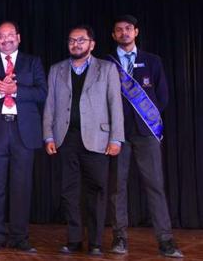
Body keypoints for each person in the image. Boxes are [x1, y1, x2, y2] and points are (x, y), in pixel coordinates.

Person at [42, 25, 124, 256]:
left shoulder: (106, 69)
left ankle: (96, 242)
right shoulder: (56, 70)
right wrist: (48, 134)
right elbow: (50, 105)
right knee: (69, 192)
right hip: (65, 139)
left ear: (92, 44)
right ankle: (74, 239)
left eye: (81, 40)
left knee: (96, 191)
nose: (75, 44)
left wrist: (116, 138)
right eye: (71, 40)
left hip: (98, 139)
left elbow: (115, 105)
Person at [107, 15, 183, 258]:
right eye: (119, 30)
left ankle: (166, 240)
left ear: (136, 32)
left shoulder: (153, 61)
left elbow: (162, 97)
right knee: (117, 188)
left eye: (128, 29)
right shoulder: (107, 64)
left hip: (146, 133)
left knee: (155, 187)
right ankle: (119, 238)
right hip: (117, 134)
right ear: (113, 35)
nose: (124, 33)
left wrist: (147, 119)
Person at [0, 21, 47, 253]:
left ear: (19, 37)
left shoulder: (33, 63)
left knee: (21, 186)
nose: (6, 39)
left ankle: (19, 237)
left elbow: (43, 93)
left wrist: (15, 90)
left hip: (23, 132)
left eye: (10, 35)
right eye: (1, 36)